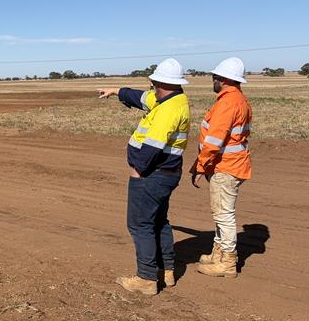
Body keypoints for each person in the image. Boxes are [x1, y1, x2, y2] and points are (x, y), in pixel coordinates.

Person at [99, 58, 190, 295]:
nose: (151, 88)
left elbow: (152, 147)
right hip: (166, 174)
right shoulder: (172, 99)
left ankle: (147, 278)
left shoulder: (168, 110)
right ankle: (166, 270)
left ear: (159, 82)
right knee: (159, 221)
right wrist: (116, 91)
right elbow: (141, 98)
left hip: (152, 175)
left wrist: (137, 170)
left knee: (140, 225)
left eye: (152, 83)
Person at [190, 57, 253, 278]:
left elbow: (214, 141)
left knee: (224, 214)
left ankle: (227, 261)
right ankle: (218, 252)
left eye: (215, 76)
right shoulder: (240, 100)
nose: (213, 79)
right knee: (221, 213)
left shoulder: (227, 103)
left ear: (224, 79)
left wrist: (200, 166)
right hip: (234, 164)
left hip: (225, 167)